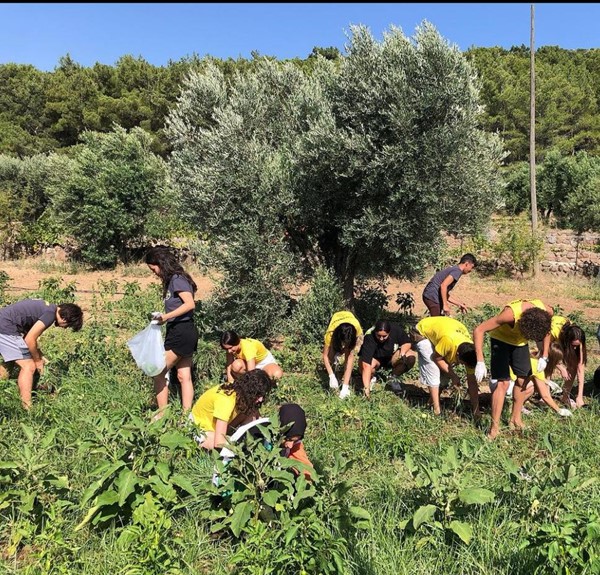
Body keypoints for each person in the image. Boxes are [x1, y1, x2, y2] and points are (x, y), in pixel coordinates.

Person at [473, 298, 553, 439]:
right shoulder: (510, 314)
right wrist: (480, 361)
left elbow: (547, 331)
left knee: (523, 380)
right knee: (502, 383)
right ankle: (494, 429)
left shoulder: (547, 312)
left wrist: (545, 355)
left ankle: (515, 419)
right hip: (501, 340)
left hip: (519, 343)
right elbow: (479, 330)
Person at [145, 246, 199, 418]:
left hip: (181, 331)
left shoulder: (177, 279)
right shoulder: (174, 280)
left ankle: (162, 414)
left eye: (153, 269)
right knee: (184, 375)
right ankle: (186, 417)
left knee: (158, 371)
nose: (154, 273)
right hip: (182, 330)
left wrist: (166, 316)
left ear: (161, 263)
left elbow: (190, 304)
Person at [0, 298, 83, 409]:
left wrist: (39, 355)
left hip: (4, 323)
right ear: (65, 319)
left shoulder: (47, 308)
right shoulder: (50, 315)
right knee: (28, 366)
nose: (65, 328)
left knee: (12, 361)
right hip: (5, 327)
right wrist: (38, 361)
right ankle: (27, 408)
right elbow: (30, 340)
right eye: (67, 326)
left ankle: (3, 389)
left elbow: (27, 340)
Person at [410, 316, 480, 418]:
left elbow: (472, 382)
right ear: (457, 354)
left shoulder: (470, 352)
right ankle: (436, 411)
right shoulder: (449, 341)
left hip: (442, 333)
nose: (462, 365)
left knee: (445, 370)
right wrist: (453, 376)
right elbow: (436, 358)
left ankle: (430, 403)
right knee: (433, 367)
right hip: (421, 332)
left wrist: (476, 410)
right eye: (462, 363)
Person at [190, 368, 273, 450]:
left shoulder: (241, 391)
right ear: (250, 390)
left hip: (219, 426)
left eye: (263, 395)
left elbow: (258, 419)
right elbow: (218, 443)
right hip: (199, 429)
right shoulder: (226, 400)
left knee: (252, 412)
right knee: (215, 444)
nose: (261, 399)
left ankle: (252, 442)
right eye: (258, 395)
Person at [357, 319, 415, 399]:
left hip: (391, 357)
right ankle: (371, 377)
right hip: (375, 359)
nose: (381, 339)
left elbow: (407, 342)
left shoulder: (396, 329)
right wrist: (366, 390)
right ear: (375, 332)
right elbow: (366, 364)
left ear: (389, 332)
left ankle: (393, 377)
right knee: (367, 366)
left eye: (384, 336)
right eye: (378, 336)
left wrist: (402, 352)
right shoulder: (369, 337)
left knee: (410, 357)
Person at [544, 317, 588, 409]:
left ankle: (565, 396)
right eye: (573, 346)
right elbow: (546, 353)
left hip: (563, 338)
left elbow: (580, 368)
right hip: (546, 335)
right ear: (567, 342)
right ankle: (545, 396)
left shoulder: (578, 336)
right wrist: (561, 368)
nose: (575, 348)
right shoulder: (552, 333)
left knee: (573, 365)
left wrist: (579, 397)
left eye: (577, 346)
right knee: (548, 365)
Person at [322, 310, 363, 398]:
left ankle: (345, 382)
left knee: (349, 353)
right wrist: (331, 376)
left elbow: (350, 358)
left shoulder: (356, 331)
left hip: (352, 326)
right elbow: (324, 355)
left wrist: (345, 387)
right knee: (330, 355)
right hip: (336, 320)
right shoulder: (331, 333)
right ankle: (333, 371)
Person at [279, 403, 314, 479]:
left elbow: (305, 465)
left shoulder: (295, 443)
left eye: (295, 441)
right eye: (288, 439)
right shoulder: (267, 440)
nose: (290, 445)